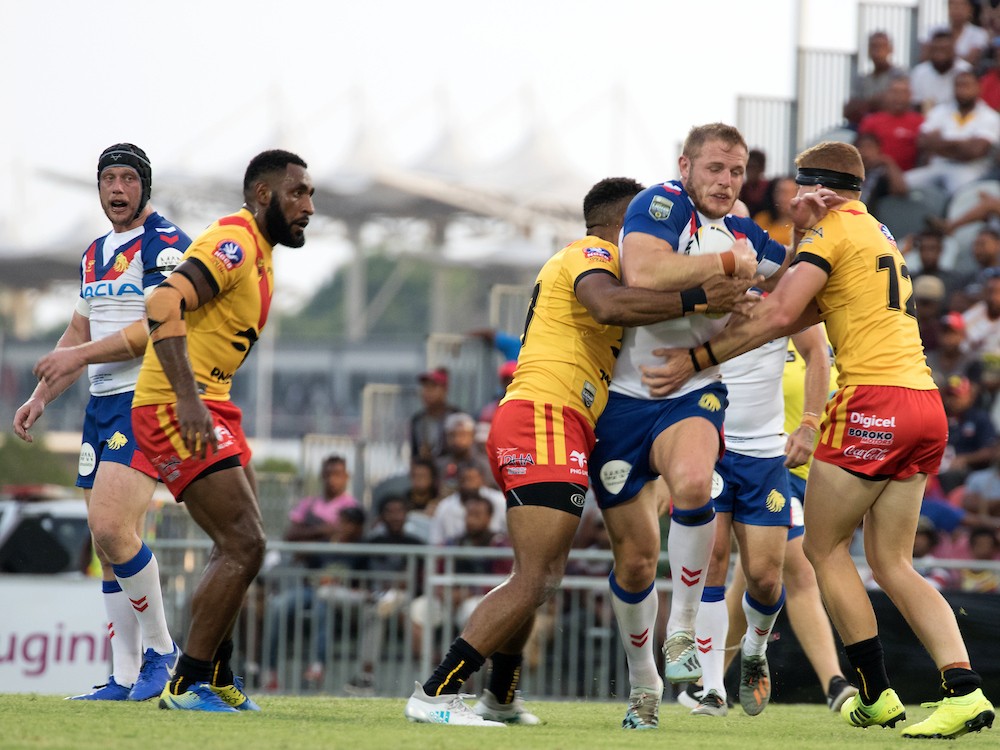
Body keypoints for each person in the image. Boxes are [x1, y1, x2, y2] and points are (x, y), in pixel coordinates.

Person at [640, 140, 995, 740]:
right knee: (892, 562)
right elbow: (802, 311)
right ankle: (964, 689)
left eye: (798, 191)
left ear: (815, 189)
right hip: (924, 404)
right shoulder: (874, 231)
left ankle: (877, 692)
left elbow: (779, 314)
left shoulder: (830, 234)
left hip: (873, 402)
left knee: (823, 551)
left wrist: (694, 358)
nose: (792, 201)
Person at [403, 176, 757, 727]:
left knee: (537, 574)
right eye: (646, 228)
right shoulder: (591, 252)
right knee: (535, 578)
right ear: (626, 223)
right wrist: (698, 294)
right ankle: (436, 692)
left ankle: (500, 695)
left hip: (556, 421)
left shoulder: (601, 263)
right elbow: (608, 304)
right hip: (544, 416)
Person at [586, 124, 788, 730]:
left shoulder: (748, 234)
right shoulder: (662, 202)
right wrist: (726, 274)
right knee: (636, 564)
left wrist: (765, 284)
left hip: (692, 393)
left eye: (736, 171)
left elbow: (795, 286)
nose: (726, 181)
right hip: (624, 401)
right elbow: (645, 271)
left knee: (697, 486)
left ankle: (683, 632)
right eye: (715, 169)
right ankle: (643, 685)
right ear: (686, 166)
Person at [131, 149, 315, 712]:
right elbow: (162, 299)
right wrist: (188, 397)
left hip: (213, 404)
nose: (308, 206)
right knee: (244, 542)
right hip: (175, 404)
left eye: (310, 195)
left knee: (243, 544)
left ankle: (216, 674)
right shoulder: (233, 241)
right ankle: (186, 684)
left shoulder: (261, 253)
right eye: (298, 193)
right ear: (263, 195)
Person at [12, 143, 184, 701]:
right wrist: (42, 396)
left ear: (145, 187)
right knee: (104, 543)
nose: (116, 188)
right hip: (100, 403)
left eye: (127, 179)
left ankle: (164, 651)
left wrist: (76, 359)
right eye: (108, 178)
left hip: (146, 399)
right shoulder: (94, 252)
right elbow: (77, 335)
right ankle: (125, 674)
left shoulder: (164, 244)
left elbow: (153, 330)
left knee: (113, 528)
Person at [906, 70, 1000, 194]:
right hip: (937, 166)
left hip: (970, 170)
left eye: (967, 85)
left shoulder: (990, 116)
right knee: (905, 182)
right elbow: (923, 142)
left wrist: (939, 143)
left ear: (978, 87)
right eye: (958, 86)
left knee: (961, 191)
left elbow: (975, 151)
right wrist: (964, 144)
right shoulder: (940, 111)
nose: (962, 90)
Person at [910, 28, 974, 113]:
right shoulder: (919, 72)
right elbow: (915, 105)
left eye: (944, 49)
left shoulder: (965, 70)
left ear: (953, 49)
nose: (940, 54)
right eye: (937, 49)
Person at [410, 367, 460, 460]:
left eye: (433, 386)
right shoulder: (417, 420)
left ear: (445, 390)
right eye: (425, 386)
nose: (427, 391)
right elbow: (414, 454)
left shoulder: (456, 417)